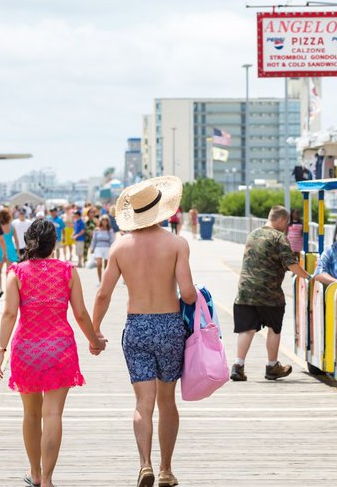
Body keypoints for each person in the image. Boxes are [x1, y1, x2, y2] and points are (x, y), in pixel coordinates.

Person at [92, 176, 198, 487]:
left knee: (143, 403)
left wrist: (95, 332)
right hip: (168, 325)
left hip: (136, 326)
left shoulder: (120, 247)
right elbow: (189, 293)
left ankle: (145, 465)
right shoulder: (177, 244)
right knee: (167, 400)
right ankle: (166, 469)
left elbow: (102, 294)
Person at [0, 219, 105, 487]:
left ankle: (36, 473)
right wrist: (95, 341)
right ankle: (48, 480)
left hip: (27, 349)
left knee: (31, 415)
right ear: (53, 244)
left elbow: (9, 314)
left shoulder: (16, 273)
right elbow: (80, 313)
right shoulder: (67, 271)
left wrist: (0, 352)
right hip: (60, 348)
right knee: (52, 414)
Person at [230, 205, 310, 382]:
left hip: (244, 292)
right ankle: (272, 366)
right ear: (281, 220)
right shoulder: (279, 237)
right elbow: (292, 264)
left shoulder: (252, 234)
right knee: (274, 328)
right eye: (287, 223)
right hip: (269, 294)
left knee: (247, 329)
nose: (288, 226)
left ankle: (238, 365)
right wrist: (308, 276)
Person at [0, 207, 20, 299]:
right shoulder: (12, 227)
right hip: (10, 249)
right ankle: (8, 290)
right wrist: (18, 252)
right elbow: (16, 240)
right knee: (9, 273)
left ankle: (0, 289)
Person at [88, 215, 115, 285]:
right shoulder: (97, 230)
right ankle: (100, 280)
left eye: (106, 220)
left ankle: (104, 281)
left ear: (108, 222)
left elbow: (112, 241)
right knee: (99, 264)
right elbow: (94, 240)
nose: (104, 221)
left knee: (106, 266)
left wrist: (112, 249)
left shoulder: (110, 231)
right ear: (101, 221)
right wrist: (92, 248)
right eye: (103, 220)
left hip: (107, 248)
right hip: (98, 248)